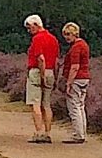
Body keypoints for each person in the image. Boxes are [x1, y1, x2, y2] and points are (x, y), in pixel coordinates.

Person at [23, 14, 59, 142]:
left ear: (36, 25)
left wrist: (42, 74)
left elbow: (40, 58)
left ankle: (38, 133)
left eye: (29, 27)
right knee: (47, 104)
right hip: (50, 71)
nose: (29, 31)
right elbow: (55, 59)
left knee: (36, 104)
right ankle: (47, 133)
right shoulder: (53, 39)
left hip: (38, 72)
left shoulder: (37, 38)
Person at [59, 20, 91, 143]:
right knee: (80, 106)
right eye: (65, 34)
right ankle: (82, 133)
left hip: (77, 78)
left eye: (68, 34)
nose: (66, 37)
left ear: (74, 34)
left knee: (74, 107)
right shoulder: (84, 44)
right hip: (84, 78)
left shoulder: (76, 47)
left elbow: (75, 66)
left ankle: (78, 135)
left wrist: (69, 83)